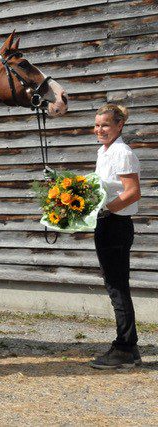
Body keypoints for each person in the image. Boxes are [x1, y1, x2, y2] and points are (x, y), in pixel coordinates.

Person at [89, 104, 142, 370]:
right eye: (97, 125)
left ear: (119, 125)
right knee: (115, 284)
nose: (99, 130)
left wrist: (107, 211)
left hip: (116, 224)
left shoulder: (122, 152)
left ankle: (125, 348)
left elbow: (132, 192)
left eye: (105, 125)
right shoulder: (104, 150)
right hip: (107, 223)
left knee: (117, 286)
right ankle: (128, 346)